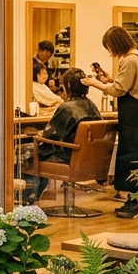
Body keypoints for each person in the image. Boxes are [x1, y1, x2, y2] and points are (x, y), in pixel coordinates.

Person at [83, 26, 138, 218]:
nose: (110, 52)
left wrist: (95, 83)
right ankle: (136, 201)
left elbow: (119, 90)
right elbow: (126, 85)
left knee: (131, 157)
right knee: (137, 156)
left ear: (116, 44)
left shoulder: (129, 60)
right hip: (136, 114)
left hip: (133, 116)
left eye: (109, 48)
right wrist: (109, 80)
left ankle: (134, 203)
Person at [26, 69, 100, 202]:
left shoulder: (67, 108)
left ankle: (28, 197)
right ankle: (35, 195)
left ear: (68, 86)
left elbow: (49, 136)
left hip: (68, 157)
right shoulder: (92, 106)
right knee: (36, 151)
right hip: (89, 158)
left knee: (23, 152)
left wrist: (38, 135)